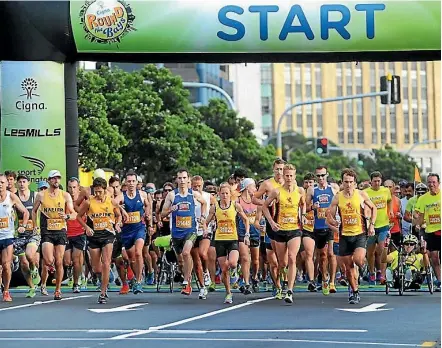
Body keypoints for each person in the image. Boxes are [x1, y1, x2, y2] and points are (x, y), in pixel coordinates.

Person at [327, 168, 377, 304]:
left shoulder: (361, 194)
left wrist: (371, 225)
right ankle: (355, 292)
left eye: (350, 182)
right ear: (342, 182)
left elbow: (374, 208)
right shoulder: (337, 196)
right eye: (345, 182)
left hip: (359, 233)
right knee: (348, 268)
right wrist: (333, 222)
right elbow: (329, 214)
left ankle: (364, 266)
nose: (348, 185)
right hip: (344, 235)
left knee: (358, 259)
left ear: (355, 183)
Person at [263, 164, 306, 304]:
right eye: (286, 175)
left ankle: (290, 290)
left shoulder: (299, 191)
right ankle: (279, 285)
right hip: (280, 230)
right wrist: (271, 222)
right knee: (282, 263)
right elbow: (264, 206)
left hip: (295, 229)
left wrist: (303, 215)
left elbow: (303, 204)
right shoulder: (277, 192)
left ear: (295, 176)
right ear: (283, 176)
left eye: (291, 176)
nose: (288, 178)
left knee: (292, 258)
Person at [161, 169, 207, 296]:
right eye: (179, 178)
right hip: (176, 233)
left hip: (191, 231)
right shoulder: (172, 195)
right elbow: (162, 214)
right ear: (176, 180)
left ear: (188, 180)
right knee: (181, 261)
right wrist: (171, 210)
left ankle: (187, 282)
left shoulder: (194, 194)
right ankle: (190, 281)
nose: (182, 181)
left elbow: (204, 203)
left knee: (187, 253)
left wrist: (203, 218)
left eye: (184, 178)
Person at [77, 177, 122, 303]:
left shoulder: (111, 201)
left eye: (100, 191)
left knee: (106, 263)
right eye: (95, 191)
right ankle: (105, 279)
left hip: (108, 235)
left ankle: (103, 292)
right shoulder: (89, 202)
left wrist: (117, 224)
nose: (97, 194)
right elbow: (78, 216)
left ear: (104, 190)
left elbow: (118, 215)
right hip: (94, 236)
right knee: (97, 268)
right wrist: (86, 227)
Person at [207, 182, 249, 304]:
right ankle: (228, 293)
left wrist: (247, 234)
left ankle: (235, 273)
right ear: (219, 194)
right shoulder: (215, 207)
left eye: (227, 193)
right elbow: (206, 221)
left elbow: (246, 220)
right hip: (219, 239)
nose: (225, 195)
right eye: (222, 193)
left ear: (230, 194)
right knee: (224, 269)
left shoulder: (235, 205)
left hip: (232, 239)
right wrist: (205, 228)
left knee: (232, 263)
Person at [115, 170, 152, 294]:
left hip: (139, 228)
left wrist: (147, 214)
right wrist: (121, 210)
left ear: (137, 182)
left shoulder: (142, 195)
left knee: (138, 252)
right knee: (131, 259)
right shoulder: (122, 196)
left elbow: (148, 204)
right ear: (126, 182)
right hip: (127, 231)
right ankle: (136, 278)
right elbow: (112, 202)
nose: (131, 184)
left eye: (133, 181)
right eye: (129, 181)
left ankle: (139, 280)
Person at [306, 166, 339, 295]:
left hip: (329, 225)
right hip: (317, 226)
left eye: (323, 175)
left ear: (327, 175)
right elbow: (306, 208)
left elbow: (339, 203)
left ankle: (332, 282)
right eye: (318, 176)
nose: (320, 178)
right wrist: (312, 207)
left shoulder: (334, 188)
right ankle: (324, 278)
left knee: (331, 253)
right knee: (322, 256)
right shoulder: (311, 190)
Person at [0, 173, 30, 302]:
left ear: (7, 184)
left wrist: (23, 225)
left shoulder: (11, 197)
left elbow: (25, 212)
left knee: (6, 265)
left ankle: (6, 291)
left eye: (2, 182)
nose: (0, 185)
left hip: (7, 236)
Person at [13, 174, 41, 298]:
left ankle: (34, 269)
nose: (22, 184)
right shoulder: (14, 197)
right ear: (17, 184)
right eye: (20, 182)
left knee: (31, 256)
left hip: (33, 233)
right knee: (24, 264)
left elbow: (42, 210)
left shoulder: (35, 196)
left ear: (28, 183)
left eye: (24, 182)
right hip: (19, 235)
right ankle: (31, 287)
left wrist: (39, 225)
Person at [364, 171, 392, 285]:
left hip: (383, 225)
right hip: (371, 225)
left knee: (381, 249)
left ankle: (380, 271)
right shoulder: (365, 192)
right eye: (374, 181)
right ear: (371, 181)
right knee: (370, 252)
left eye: (378, 181)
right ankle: (371, 272)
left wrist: (389, 210)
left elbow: (389, 201)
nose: (376, 183)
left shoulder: (385, 191)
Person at [415, 173, 441, 291]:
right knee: (434, 257)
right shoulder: (423, 198)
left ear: (438, 183)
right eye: (429, 182)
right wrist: (418, 225)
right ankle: (440, 281)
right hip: (431, 230)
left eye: (433, 182)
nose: (431, 185)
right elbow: (420, 215)